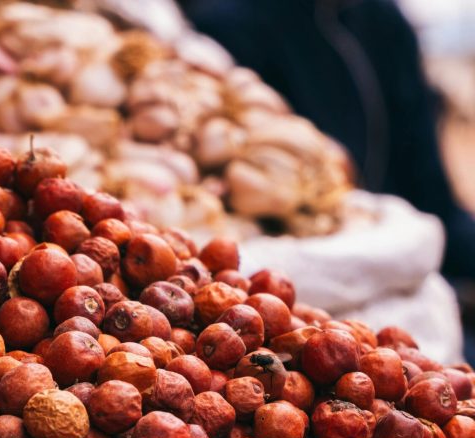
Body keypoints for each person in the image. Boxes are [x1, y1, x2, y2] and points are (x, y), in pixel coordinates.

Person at [181, 0, 475, 283]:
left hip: (412, 262)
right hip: (299, 271)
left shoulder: (385, 21)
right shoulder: (229, 24)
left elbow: (433, 195)